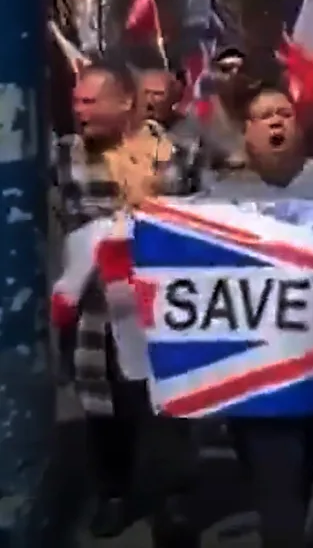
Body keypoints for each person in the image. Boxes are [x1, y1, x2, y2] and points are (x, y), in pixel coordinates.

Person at [199, 72, 313, 548]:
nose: (276, 123)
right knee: (278, 495)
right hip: (260, 372)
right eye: (263, 116)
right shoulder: (219, 198)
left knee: (311, 476)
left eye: (284, 113)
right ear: (246, 132)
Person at [50, 62, 204, 547]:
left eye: (90, 102)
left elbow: (209, 217)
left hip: (161, 310)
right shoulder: (63, 156)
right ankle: (112, 493)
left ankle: (174, 502)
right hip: (95, 311)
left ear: (125, 103)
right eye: (76, 102)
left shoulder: (178, 155)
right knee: (104, 409)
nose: (78, 112)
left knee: (168, 406)